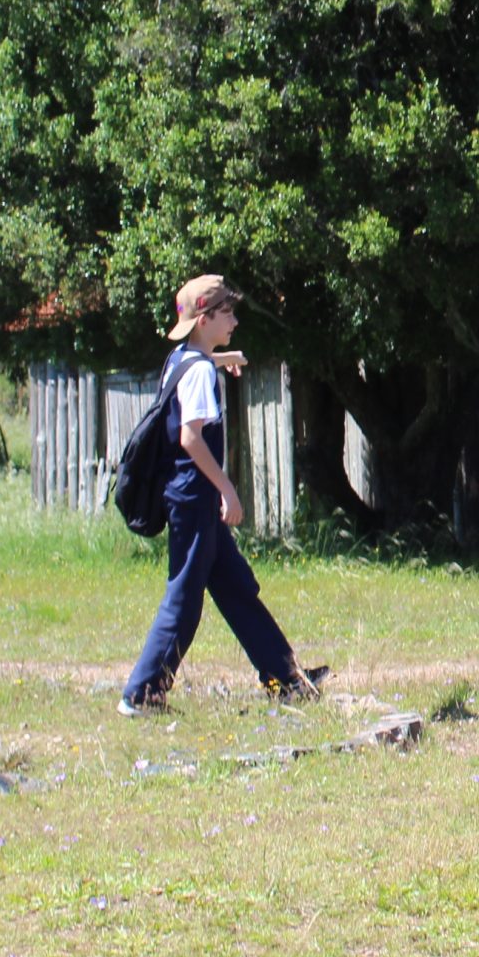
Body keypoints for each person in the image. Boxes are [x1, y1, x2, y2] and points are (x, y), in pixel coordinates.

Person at [119, 276, 326, 716]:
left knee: (236, 590)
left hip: (190, 498)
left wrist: (221, 357)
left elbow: (193, 364)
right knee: (184, 599)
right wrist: (227, 488)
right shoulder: (196, 372)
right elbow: (192, 439)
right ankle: (141, 694)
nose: (234, 320)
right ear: (205, 317)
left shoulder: (184, 358)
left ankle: (286, 679)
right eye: (227, 313)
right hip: (196, 499)